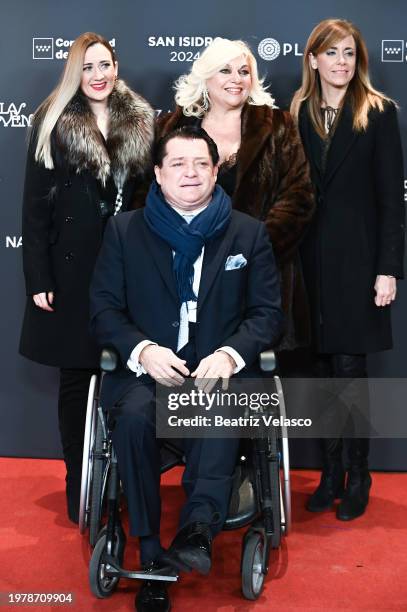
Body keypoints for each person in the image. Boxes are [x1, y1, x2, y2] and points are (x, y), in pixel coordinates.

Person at [90, 126, 283, 611]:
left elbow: (267, 315)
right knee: (133, 417)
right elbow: (104, 311)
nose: (190, 173)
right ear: (158, 174)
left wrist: (229, 354)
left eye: (201, 163)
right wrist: (145, 351)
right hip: (146, 377)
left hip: (217, 376)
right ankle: (152, 553)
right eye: (178, 164)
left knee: (220, 404)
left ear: (216, 171)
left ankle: (198, 529)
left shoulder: (247, 232)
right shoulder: (124, 231)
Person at [19, 32, 154, 524]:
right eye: (90, 66)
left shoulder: (141, 121)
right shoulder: (50, 121)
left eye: (107, 64)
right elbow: (34, 210)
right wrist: (38, 276)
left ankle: (120, 484)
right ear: (77, 71)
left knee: (125, 378)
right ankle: (81, 484)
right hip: (71, 272)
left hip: (126, 270)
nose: (100, 75)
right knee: (76, 381)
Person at [290, 19, 404, 520]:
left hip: (358, 264)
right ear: (313, 59)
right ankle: (330, 473)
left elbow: (391, 202)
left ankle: (359, 475)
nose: (341, 62)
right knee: (318, 371)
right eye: (331, 53)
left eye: (349, 54)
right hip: (308, 263)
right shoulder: (295, 114)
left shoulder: (378, 113)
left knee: (350, 373)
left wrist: (388, 269)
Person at [150, 37, 314, 356]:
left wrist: (249, 250)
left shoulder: (278, 126)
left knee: (249, 385)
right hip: (185, 277)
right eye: (225, 70)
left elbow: (299, 198)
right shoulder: (171, 127)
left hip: (261, 276)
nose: (236, 79)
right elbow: (150, 196)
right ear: (206, 77)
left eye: (243, 71)